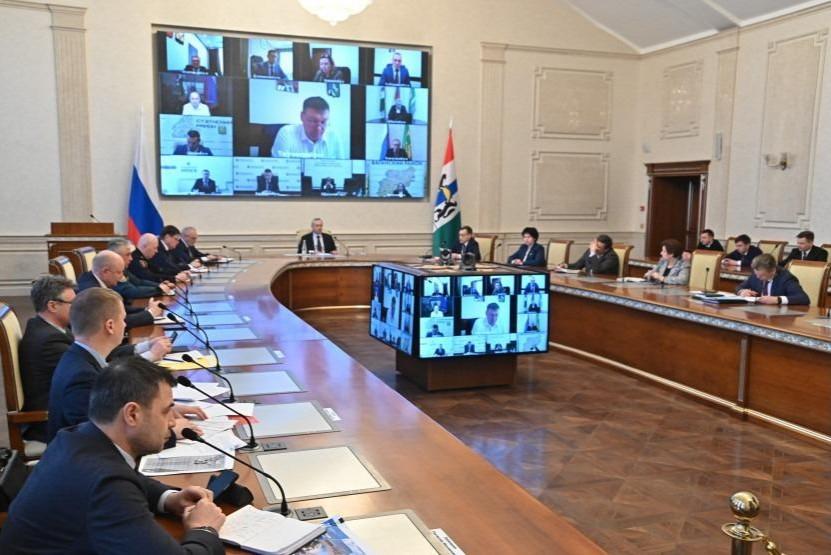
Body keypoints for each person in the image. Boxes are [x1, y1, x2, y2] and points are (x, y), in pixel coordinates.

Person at [1, 357, 226, 554]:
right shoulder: (107, 487)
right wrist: (204, 528)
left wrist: (168, 499)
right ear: (132, 414)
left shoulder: (75, 437)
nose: (172, 422)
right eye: (166, 411)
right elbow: (112, 484)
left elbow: (124, 476)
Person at [76, 250, 163, 330]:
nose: (121, 277)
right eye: (118, 272)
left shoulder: (99, 280)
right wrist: (150, 314)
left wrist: (146, 309)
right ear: (105, 271)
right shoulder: (92, 292)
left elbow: (117, 310)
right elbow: (115, 323)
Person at [272, 96, 344, 158]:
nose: (318, 128)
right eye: (313, 121)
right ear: (302, 117)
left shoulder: (334, 137)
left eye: (323, 122)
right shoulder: (286, 133)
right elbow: (278, 167)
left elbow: (341, 167)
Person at [108, 239, 174, 300]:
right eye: (127, 255)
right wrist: (158, 289)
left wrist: (159, 285)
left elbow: (138, 282)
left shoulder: (124, 270)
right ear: (116, 256)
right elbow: (130, 291)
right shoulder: (112, 271)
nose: (131, 258)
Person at [736, 253, 810, 305]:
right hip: (758, 314)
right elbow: (739, 287)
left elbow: (803, 298)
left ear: (773, 271)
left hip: (779, 317)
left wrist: (777, 300)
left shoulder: (786, 278)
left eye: (762, 275)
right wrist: (742, 291)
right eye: (756, 274)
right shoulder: (756, 274)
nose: (758, 277)